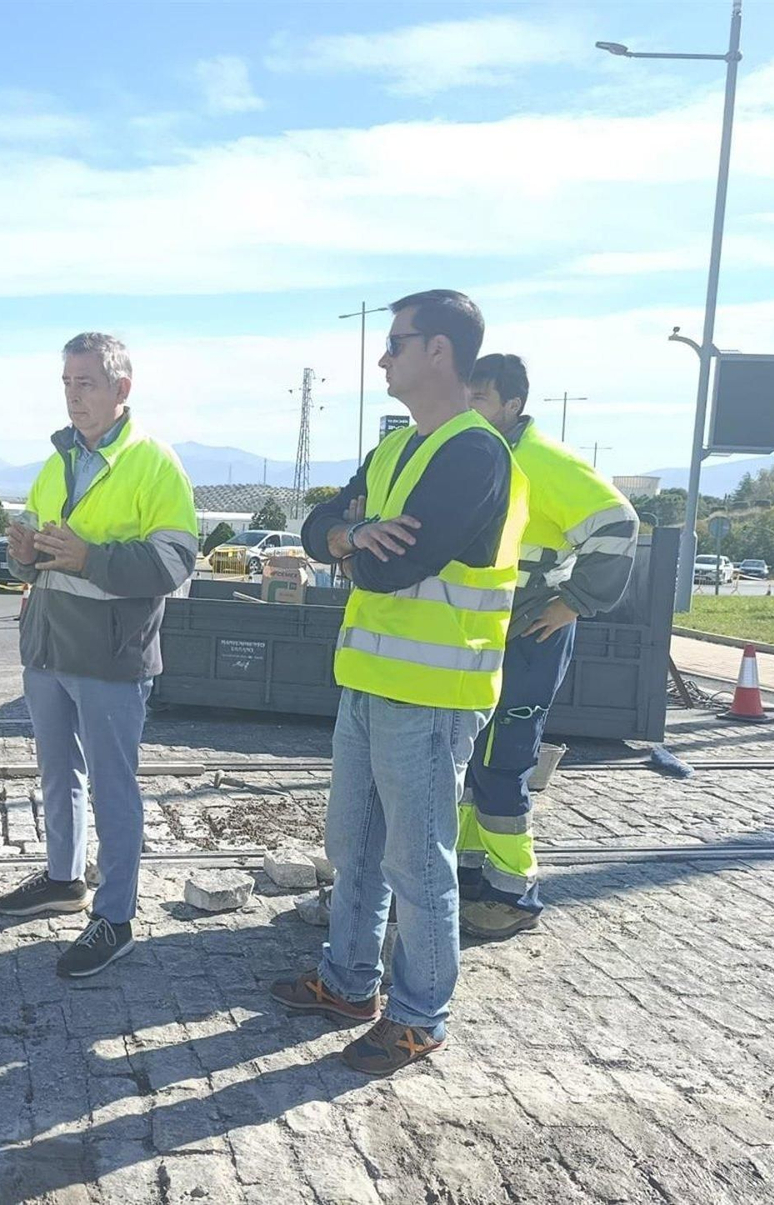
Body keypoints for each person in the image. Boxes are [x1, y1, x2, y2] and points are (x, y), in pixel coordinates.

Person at [271, 290, 528, 1075]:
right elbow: (316, 527)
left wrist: (349, 545)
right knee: (354, 846)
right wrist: (352, 533)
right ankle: (350, 981)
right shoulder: (395, 451)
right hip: (369, 683)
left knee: (417, 864)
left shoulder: (475, 455)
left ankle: (419, 1015)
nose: (382, 357)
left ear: (439, 350)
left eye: (396, 342)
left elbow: (396, 566)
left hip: (434, 695)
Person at [0, 332, 198, 978]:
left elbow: (175, 561)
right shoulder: (57, 461)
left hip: (111, 655)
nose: (73, 396)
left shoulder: (153, 463)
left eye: (86, 383)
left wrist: (91, 558)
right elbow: (37, 557)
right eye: (67, 383)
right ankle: (63, 878)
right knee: (57, 772)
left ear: (121, 389)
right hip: (49, 644)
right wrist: (23, 555)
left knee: (113, 787)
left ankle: (116, 915)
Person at [461, 354, 638, 939]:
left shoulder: (542, 460)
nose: (469, 409)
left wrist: (574, 603)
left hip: (533, 633)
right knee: (474, 760)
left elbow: (618, 523)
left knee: (502, 762)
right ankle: (471, 873)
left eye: (480, 399)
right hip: (493, 630)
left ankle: (514, 894)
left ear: (513, 405)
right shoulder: (485, 454)